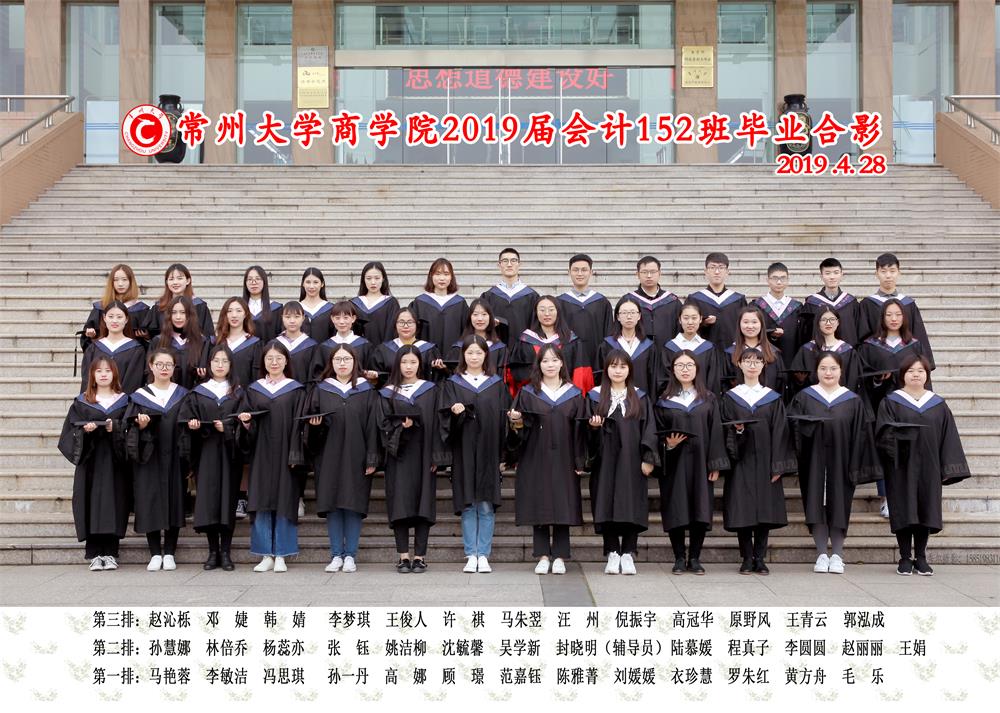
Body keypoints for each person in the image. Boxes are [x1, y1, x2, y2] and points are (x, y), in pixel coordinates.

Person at [875, 354, 970, 576]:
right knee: (903, 508)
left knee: (925, 508)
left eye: (920, 371)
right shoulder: (891, 402)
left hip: (930, 465)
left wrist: (947, 468)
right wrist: (896, 443)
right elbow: (882, 434)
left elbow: (948, 437)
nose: (915, 375)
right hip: (900, 466)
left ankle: (921, 557)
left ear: (927, 375)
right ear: (902, 375)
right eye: (910, 371)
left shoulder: (938, 404)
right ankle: (904, 557)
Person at [788, 352, 881, 575]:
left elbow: (861, 435)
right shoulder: (804, 398)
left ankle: (837, 555)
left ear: (841, 371)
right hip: (812, 462)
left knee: (840, 506)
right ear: (816, 371)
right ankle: (821, 554)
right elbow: (792, 430)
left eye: (833, 368)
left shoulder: (853, 400)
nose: (828, 373)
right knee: (815, 505)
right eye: (823, 368)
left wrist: (855, 464)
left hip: (843, 462)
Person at [507, 344, 587, 575]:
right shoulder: (528, 393)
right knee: (539, 502)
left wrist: (580, 461)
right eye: (545, 361)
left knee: (563, 503)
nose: (550, 365)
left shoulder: (574, 394)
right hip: (535, 455)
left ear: (561, 363)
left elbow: (580, 432)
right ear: (538, 365)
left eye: (554, 360)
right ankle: (542, 555)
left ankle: (560, 555)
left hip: (565, 456)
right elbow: (518, 432)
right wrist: (516, 422)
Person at [303, 344, 380, 574]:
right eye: (338, 359)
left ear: (355, 362)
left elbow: (373, 427)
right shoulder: (321, 389)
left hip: (357, 455)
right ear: (331, 363)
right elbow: (310, 429)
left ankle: (351, 556)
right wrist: (314, 427)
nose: (342, 363)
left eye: (347, 359)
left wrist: (372, 458)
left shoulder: (366, 390)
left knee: (353, 505)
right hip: (328, 455)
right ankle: (336, 554)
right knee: (333, 505)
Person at [720, 348, 797, 574]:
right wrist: (737, 432)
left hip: (766, 461)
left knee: (765, 511)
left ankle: (760, 558)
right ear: (740, 365)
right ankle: (746, 557)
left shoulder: (772, 398)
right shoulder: (730, 397)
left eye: (757, 361)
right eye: (748, 361)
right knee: (742, 510)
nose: (752, 365)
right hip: (740, 461)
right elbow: (723, 429)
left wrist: (778, 464)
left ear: (764, 365)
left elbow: (781, 432)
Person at [439, 335, 511, 574]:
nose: (474, 357)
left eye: (478, 352)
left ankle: (484, 554)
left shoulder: (496, 384)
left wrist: (503, 455)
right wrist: (455, 413)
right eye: (469, 352)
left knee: (486, 505)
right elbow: (444, 422)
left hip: (490, 451)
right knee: (468, 504)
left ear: (486, 355)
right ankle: (471, 554)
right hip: (464, 451)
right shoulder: (453, 384)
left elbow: (504, 422)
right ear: (463, 355)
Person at [653, 349, 729, 575]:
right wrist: (668, 445)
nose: (685, 370)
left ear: (697, 369)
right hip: (674, 464)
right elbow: (657, 433)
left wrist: (715, 463)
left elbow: (716, 432)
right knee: (675, 508)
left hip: (701, 462)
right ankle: (678, 557)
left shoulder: (709, 399)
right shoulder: (664, 401)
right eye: (680, 366)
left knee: (700, 508)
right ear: (673, 370)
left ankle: (695, 557)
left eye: (689, 365)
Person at [585, 350, 658, 576]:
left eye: (623, 366)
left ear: (629, 370)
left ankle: (628, 552)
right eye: (613, 366)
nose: (618, 371)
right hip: (604, 460)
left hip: (632, 460)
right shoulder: (595, 396)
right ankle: (612, 552)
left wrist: (648, 458)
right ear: (606, 369)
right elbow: (583, 432)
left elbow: (649, 430)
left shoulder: (640, 397)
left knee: (631, 504)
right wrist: (593, 428)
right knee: (605, 502)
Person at [377, 345, 447, 573]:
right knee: (400, 504)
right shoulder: (387, 393)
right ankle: (403, 556)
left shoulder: (430, 390)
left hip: (424, 455)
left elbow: (438, 424)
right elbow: (382, 425)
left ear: (420, 364)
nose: (408, 367)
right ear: (397, 364)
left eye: (413, 362)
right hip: (398, 457)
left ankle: (420, 557)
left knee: (423, 505)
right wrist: (401, 426)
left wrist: (437, 455)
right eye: (404, 362)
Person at [237, 341, 306, 573]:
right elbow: (247, 423)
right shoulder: (254, 389)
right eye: (269, 358)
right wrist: (246, 424)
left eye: (279, 358)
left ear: (286, 361)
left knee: (285, 500)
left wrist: (296, 453)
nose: (274, 362)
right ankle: (266, 554)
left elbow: (299, 426)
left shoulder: (296, 390)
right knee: (261, 500)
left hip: (287, 452)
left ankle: (282, 554)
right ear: (263, 362)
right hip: (261, 453)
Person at [857, 298, 930, 518]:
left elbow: (924, 376)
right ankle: (886, 497)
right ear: (882, 318)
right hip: (881, 405)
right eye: (889, 314)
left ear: (904, 317)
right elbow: (863, 380)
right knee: (884, 451)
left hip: (909, 404)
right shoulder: (870, 345)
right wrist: (878, 380)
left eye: (898, 314)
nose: (894, 318)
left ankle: (909, 496)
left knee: (910, 450)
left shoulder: (914, 345)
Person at [58, 357, 130, 571]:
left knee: (114, 503)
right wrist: (84, 431)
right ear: (92, 375)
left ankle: (111, 552)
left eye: (108, 370)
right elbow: (69, 433)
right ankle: (94, 553)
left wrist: (114, 427)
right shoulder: (82, 402)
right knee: (89, 502)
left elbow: (130, 429)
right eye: (99, 371)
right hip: (90, 462)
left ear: (114, 374)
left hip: (115, 462)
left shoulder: (125, 401)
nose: (104, 374)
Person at [179, 344, 242, 571]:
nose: (220, 365)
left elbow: (246, 423)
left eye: (225, 361)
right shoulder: (198, 392)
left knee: (227, 502)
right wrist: (193, 426)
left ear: (231, 365)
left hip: (229, 454)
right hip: (205, 453)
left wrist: (228, 427)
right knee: (208, 502)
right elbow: (185, 422)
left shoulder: (238, 392)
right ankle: (212, 551)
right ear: (209, 364)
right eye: (216, 361)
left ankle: (226, 552)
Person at [125, 347, 189, 571]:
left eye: (168, 365)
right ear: (151, 366)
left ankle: (169, 552)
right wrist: (141, 427)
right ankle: (154, 553)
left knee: (174, 500)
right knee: (149, 500)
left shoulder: (183, 394)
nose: (164, 368)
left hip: (174, 457)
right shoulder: (139, 396)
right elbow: (129, 429)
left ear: (174, 368)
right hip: (149, 458)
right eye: (159, 364)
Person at [858, 252, 935, 368]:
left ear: (899, 272)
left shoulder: (908, 304)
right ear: (876, 274)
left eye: (892, 271)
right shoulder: (867, 304)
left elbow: (918, 334)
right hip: (878, 364)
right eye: (883, 271)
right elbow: (863, 338)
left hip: (907, 362)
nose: (888, 276)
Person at [511, 295, 592, 392]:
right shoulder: (525, 341)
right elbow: (517, 375)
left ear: (558, 312)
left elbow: (580, 372)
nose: (547, 314)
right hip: (534, 394)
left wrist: (575, 394)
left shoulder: (571, 340)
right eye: (542, 310)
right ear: (536, 313)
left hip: (565, 395)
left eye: (551, 310)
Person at [557, 254, 613, 373]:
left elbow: (608, 333)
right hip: (568, 359)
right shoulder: (559, 302)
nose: (580, 273)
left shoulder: (602, 302)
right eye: (575, 270)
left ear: (591, 272)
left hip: (596, 360)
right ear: (569, 272)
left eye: (584, 270)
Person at [789, 306, 862, 395]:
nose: (828, 323)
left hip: (842, 400)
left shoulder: (848, 351)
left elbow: (853, 382)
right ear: (817, 323)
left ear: (838, 322)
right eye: (824, 320)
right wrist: (800, 381)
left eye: (832, 319)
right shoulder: (806, 350)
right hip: (814, 399)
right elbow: (795, 384)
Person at [79, 300, 147, 395]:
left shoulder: (136, 350)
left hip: (124, 402)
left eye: (119, 317)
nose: (115, 321)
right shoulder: (93, 348)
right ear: (104, 318)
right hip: (96, 402)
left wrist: (119, 401)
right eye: (111, 316)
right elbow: (87, 380)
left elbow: (134, 382)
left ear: (126, 319)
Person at [409, 258, 469, 362]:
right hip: (425, 360)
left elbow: (467, 332)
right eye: (437, 274)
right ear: (431, 276)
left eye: (446, 274)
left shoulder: (460, 303)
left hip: (453, 360)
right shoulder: (420, 302)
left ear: (451, 277)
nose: (442, 278)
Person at [597, 297, 659, 395]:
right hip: (612, 399)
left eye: (633, 312)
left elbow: (653, 379)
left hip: (641, 399)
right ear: (618, 317)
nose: (629, 316)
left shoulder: (649, 346)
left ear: (639, 316)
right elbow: (600, 376)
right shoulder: (607, 345)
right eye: (624, 313)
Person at [479, 248, 538, 350]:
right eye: (505, 261)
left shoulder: (532, 296)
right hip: (495, 351)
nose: (509, 264)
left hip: (524, 352)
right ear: (499, 265)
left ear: (519, 264)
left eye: (513, 260)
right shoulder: (488, 296)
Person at [146, 295, 210, 390]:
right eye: (174, 312)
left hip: (193, 395)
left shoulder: (202, 342)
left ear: (190, 315)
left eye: (183, 312)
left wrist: (203, 376)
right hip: (165, 394)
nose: (178, 317)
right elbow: (149, 372)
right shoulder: (158, 341)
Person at [616, 255, 682, 347]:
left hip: (667, 351)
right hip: (637, 352)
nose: (649, 276)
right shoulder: (628, 301)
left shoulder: (672, 301)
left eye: (653, 272)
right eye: (644, 272)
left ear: (660, 273)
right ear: (637, 274)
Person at [81, 263, 149, 350]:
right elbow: (86, 341)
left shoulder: (141, 309)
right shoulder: (100, 308)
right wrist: (91, 336)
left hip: (132, 356)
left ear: (131, 282)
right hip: (104, 355)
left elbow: (150, 343)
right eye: (116, 280)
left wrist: (147, 337)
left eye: (124, 279)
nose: (120, 284)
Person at [687, 252, 747, 348]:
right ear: (705, 271)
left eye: (721, 267)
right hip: (704, 352)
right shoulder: (694, 299)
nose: (717, 272)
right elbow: (685, 326)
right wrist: (703, 322)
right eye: (712, 267)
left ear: (727, 272)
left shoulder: (738, 300)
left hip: (733, 351)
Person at [662, 300, 721, 396]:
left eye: (694, 318)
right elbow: (664, 379)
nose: (690, 322)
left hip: (702, 400)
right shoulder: (669, 347)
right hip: (675, 399)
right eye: (686, 318)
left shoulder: (708, 348)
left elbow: (713, 380)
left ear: (700, 319)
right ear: (680, 320)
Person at [722, 306, 786, 393]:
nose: (750, 326)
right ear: (739, 324)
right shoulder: (730, 353)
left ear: (761, 324)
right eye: (746, 322)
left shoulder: (773, 353)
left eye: (754, 322)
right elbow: (725, 385)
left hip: (769, 401)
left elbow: (781, 385)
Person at [371, 307, 442, 384]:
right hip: (391, 390)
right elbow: (376, 379)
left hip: (422, 391)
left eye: (410, 322)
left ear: (417, 324)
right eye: (401, 322)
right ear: (395, 324)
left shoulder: (429, 350)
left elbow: (436, 378)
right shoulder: (383, 350)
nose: (405, 326)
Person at [310, 300, 376, 384]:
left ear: (353, 318)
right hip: (331, 390)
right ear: (332, 319)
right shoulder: (324, 347)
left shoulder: (365, 345)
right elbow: (317, 375)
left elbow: (373, 372)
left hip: (359, 389)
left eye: (346, 318)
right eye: (337, 318)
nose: (341, 322)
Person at [801, 257, 861, 347]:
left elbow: (859, 330)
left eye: (836, 273)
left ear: (842, 275)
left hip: (847, 352)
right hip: (819, 352)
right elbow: (805, 334)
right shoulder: (811, 303)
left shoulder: (851, 302)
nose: (832, 277)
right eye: (827, 273)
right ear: (821, 276)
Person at [751, 262, 804, 362]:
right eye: (775, 278)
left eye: (783, 278)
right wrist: (769, 333)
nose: (779, 282)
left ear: (788, 280)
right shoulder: (756, 306)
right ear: (768, 280)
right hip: (763, 359)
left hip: (791, 358)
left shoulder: (797, 307)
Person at [144, 263, 213, 341]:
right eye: (171, 279)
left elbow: (208, 335)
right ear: (166, 282)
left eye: (179, 278)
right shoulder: (159, 306)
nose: (175, 282)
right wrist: (146, 336)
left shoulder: (198, 306)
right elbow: (152, 335)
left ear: (188, 281)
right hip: (164, 347)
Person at [445, 298, 508, 377]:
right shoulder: (459, 347)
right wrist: (444, 369)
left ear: (490, 318)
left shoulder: (500, 348)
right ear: (470, 317)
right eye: (475, 314)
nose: (480, 319)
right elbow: (452, 375)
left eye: (484, 314)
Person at [215, 296, 261, 390]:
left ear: (245, 314)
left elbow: (256, 377)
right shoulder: (216, 342)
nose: (234, 315)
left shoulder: (255, 344)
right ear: (225, 315)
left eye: (239, 311)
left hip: (245, 395)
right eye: (230, 311)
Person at [351, 261, 400, 346]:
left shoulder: (391, 303)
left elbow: (392, 332)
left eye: (377, 278)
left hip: (384, 351)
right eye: (368, 278)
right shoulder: (354, 303)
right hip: (358, 351)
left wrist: (384, 351)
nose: (373, 282)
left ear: (383, 279)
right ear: (363, 279)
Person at [276, 301, 319, 384]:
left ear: (303, 318)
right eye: (287, 317)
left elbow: (314, 376)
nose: (292, 321)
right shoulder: (274, 344)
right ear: (282, 318)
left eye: (296, 317)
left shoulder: (312, 346)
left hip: (304, 390)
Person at [242, 265, 283, 342]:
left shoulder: (276, 309)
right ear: (245, 283)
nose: (253, 282)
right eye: (250, 279)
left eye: (258, 279)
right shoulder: (239, 308)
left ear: (264, 282)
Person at [298, 267, 333, 344]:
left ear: (322, 284)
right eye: (308, 282)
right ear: (303, 284)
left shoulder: (330, 309)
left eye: (315, 282)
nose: (311, 286)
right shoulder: (296, 309)